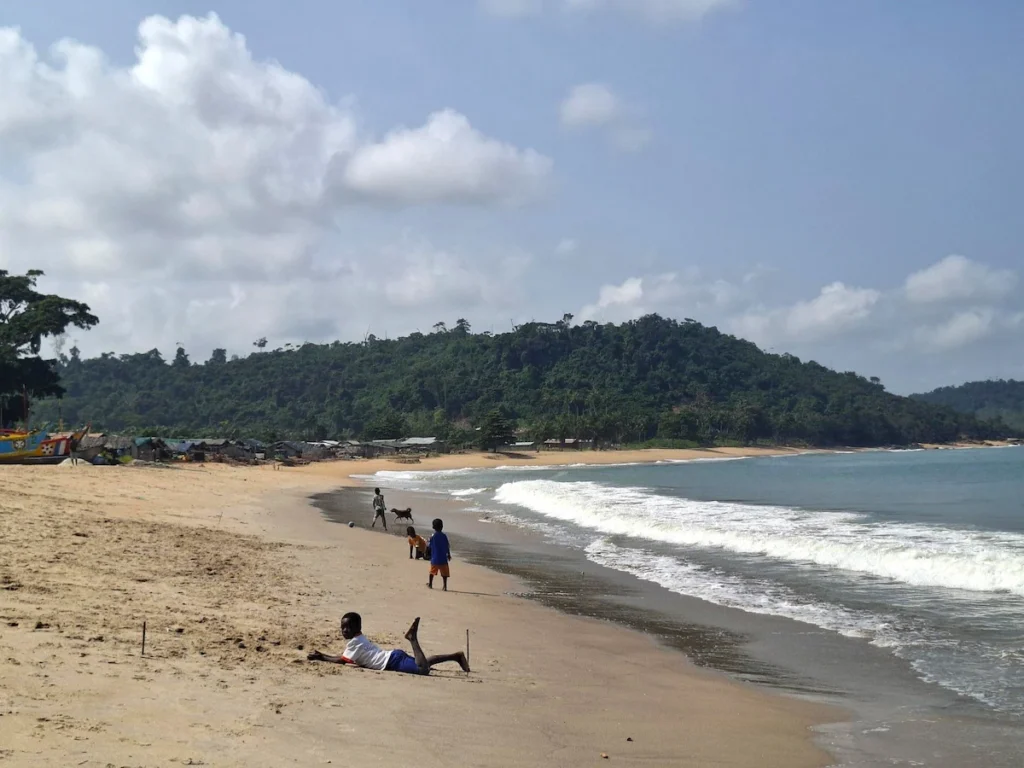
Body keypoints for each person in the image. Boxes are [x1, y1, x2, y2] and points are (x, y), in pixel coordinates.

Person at [306, 613, 469, 676]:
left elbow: (341, 660)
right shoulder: (361, 638)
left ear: (358, 628)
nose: (344, 631)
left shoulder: (354, 643)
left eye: (348, 627)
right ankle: (455, 656)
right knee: (424, 662)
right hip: (393, 655)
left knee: (423, 669)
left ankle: (413, 638)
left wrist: (321, 656)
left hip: (391, 661)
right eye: (342, 628)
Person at [428, 518, 451, 591]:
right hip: (443, 559)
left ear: (433, 527)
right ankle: (445, 586)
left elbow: (429, 545)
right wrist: (449, 554)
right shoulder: (444, 536)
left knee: (432, 572)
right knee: (445, 574)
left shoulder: (433, 536)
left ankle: (430, 584)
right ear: (442, 526)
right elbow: (447, 545)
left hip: (435, 559)